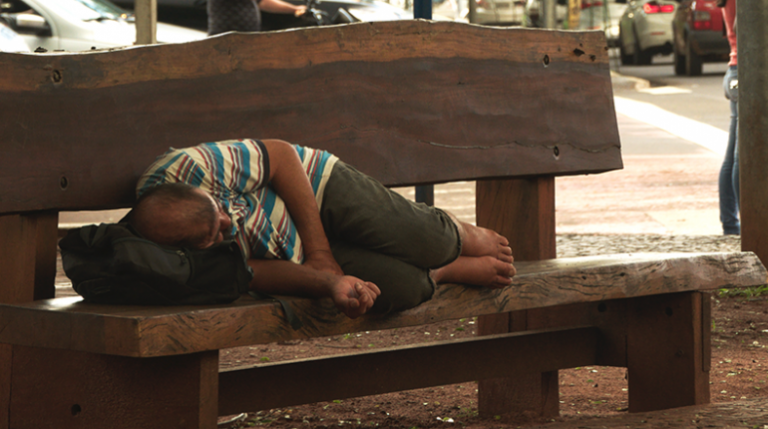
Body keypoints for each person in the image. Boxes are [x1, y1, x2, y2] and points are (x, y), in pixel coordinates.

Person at [129, 139, 515, 318]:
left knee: (429, 240)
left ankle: (462, 235)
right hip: (290, 251)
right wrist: (327, 282)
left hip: (314, 186)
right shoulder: (180, 261)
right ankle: (447, 269)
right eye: (215, 236)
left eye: (220, 212)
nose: (229, 225)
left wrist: (320, 252)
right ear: (189, 251)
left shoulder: (190, 169)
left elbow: (279, 156)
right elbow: (253, 272)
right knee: (403, 288)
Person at [717, 0, 738, 236]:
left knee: (733, 153)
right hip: (745, 74)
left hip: (735, 72)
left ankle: (731, 225)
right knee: (741, 158)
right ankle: (751, 226)